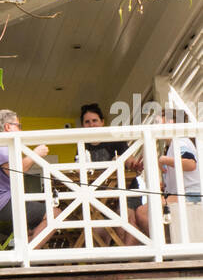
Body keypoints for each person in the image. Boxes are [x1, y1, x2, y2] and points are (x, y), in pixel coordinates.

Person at [0, 109, 56, 245]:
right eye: (19, 126)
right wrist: (36, 154)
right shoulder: (1, 143)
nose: (21, 130)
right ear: (7, 127)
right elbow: (15, 171)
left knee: (31, 227)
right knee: (55, 214)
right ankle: (30, 255)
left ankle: (22, 252)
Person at [77, 102, 142, 243]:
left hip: (126, 189)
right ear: (83, 125)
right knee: (96, 228)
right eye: (87, 122)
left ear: (102, 122)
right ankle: (111, 260)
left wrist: (130, 162)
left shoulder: (114, 139)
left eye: (94, 121)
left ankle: (130, 261)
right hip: (100, 196)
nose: (91, 124)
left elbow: (130, 160)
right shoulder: (82, 145)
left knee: (126, 218)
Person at [134, 108, 201, 236]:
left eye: (162, 119)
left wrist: (164, 159)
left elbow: (191, 164)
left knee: (143, 212)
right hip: (184, 194)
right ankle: (165, 246)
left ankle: (163, 248)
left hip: (191, 195)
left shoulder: (180, 141)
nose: (157, 123)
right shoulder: (174, 145)